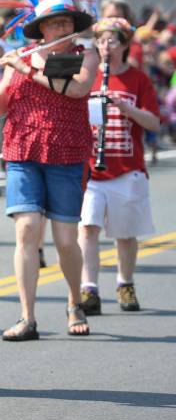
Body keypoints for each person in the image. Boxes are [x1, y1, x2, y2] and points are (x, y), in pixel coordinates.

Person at [0, 0, 99, 341]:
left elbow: (79, 90)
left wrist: (29, 70)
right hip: (22, 150)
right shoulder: (19, 59)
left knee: (66, 240)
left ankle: (73, 301)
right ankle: (27, 316)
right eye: (54, 23)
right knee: (28, 231)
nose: (60, 29)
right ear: (41, 28)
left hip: (67, 153)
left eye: (66, 22)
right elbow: (0, 108)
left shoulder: (85, 55)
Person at [78, 17, 160, 313]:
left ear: (125, 45)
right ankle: (89, 289)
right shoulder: (87, 76)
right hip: (90, 168)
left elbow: (153, 121)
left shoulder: (138, 79)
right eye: (100, 40)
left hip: (127, 167)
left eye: (112, 40)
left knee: (125, 234)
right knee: (87, 228)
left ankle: (125, 283)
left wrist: (127, 108)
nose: (105, 46)